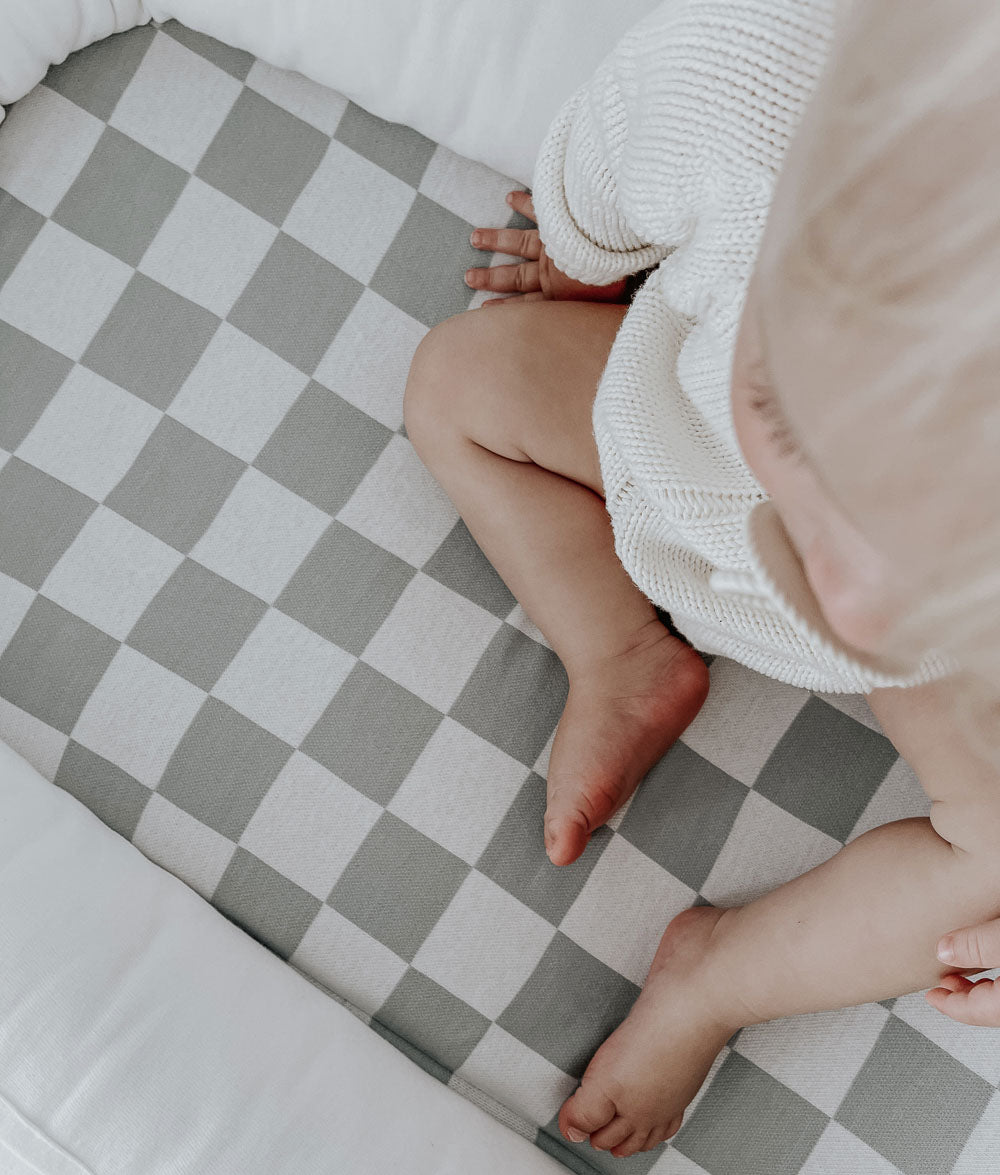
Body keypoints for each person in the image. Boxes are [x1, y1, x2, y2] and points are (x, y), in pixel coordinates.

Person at [403, 0, 1000, 1159]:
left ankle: (716, 975)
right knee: (455, 384)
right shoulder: (758, 81)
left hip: (961, 657)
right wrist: (577, 263)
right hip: (672, 442)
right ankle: (617, 649)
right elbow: (613, 162)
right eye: (813, 430)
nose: (854, 608)